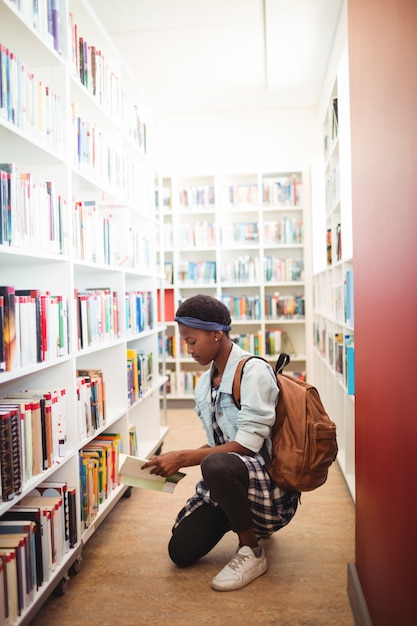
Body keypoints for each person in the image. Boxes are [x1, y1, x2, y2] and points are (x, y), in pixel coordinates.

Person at [142, 294, 299, 591]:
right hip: (231, 480)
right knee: (181, 551)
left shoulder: (253, 371)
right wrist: (174, 458)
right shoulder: (206, 382)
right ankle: (237, 513)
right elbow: (221, 442)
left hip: (268, 486)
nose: (188, 350)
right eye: (184, 343)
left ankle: (251, 549)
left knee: (214, 464)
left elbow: (247, 446)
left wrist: (184, 458)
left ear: (216, 334)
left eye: (191, 341)